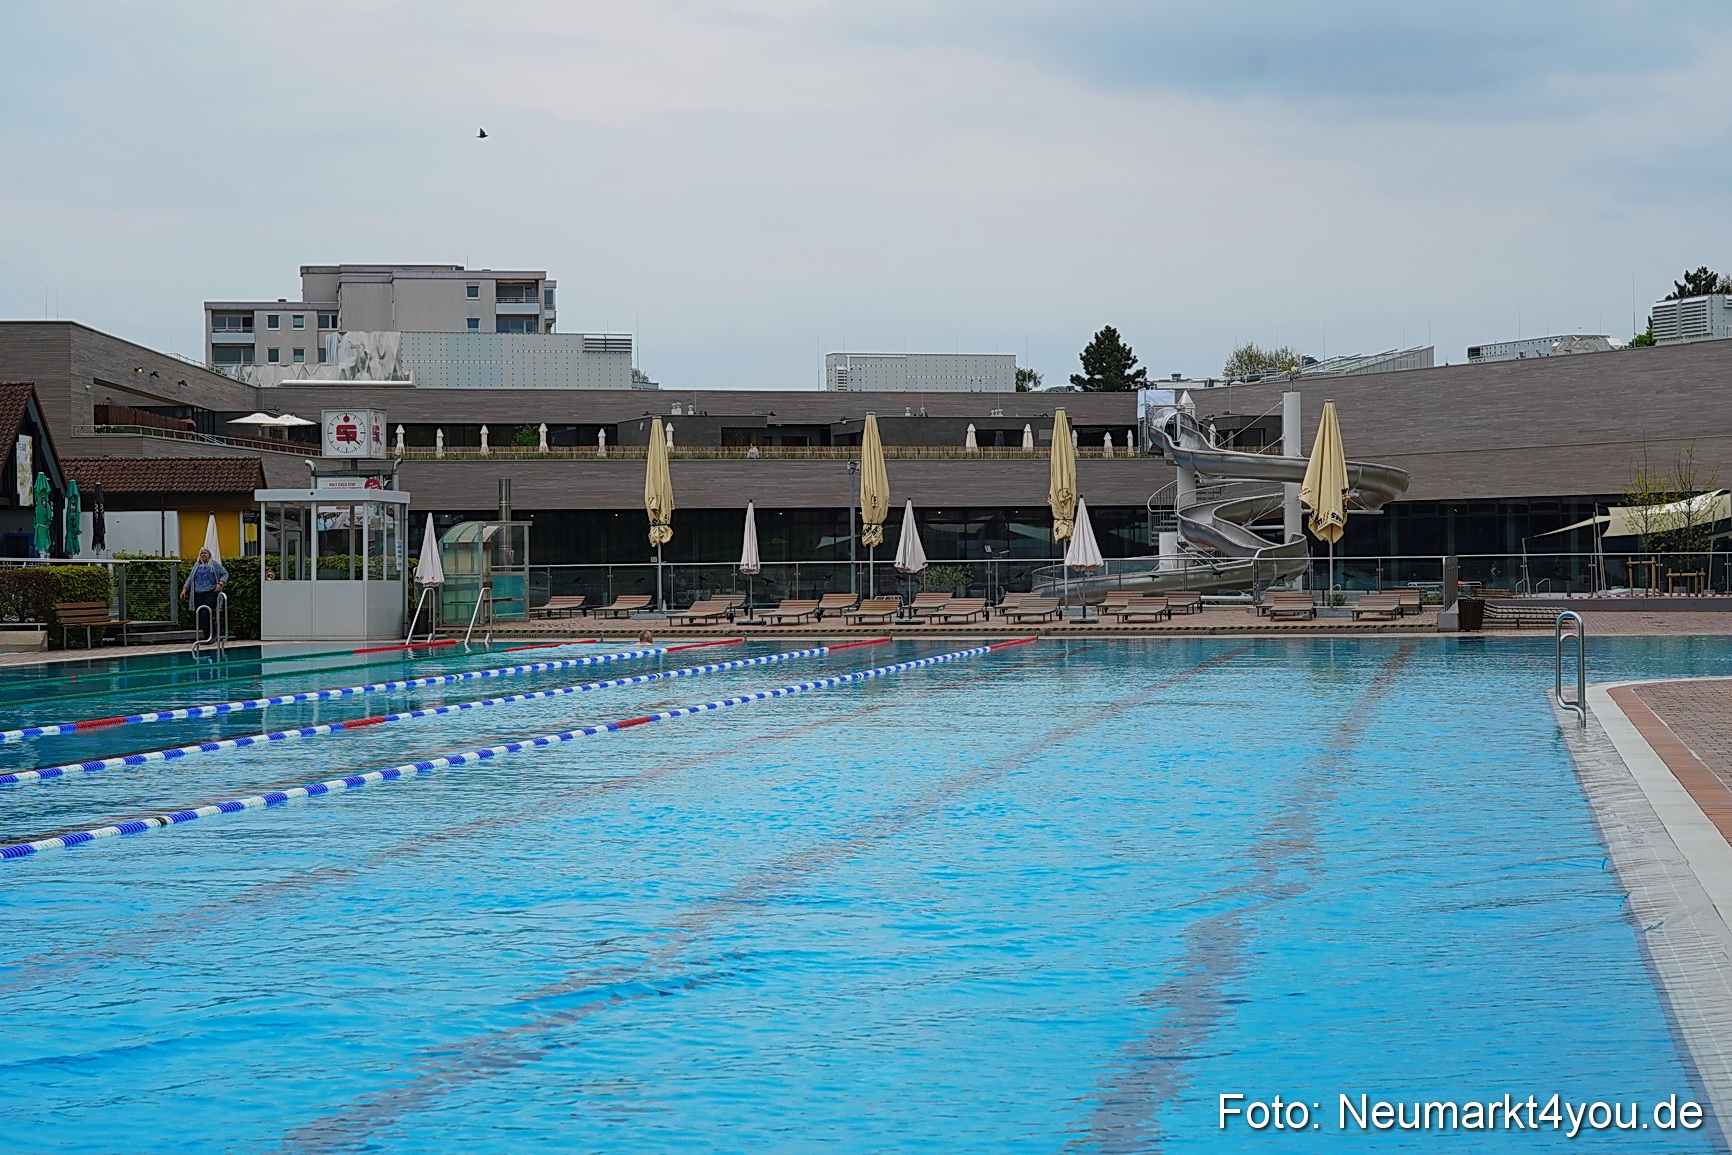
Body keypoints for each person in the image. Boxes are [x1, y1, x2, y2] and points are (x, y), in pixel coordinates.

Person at [181, 547, 228, 642]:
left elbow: (225, 574)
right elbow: (190, 578)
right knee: (202, 615)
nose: (203, 555)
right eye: (201, 553)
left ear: (209, 555)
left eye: (205, 553)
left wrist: (220, 583)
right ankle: (209, 634)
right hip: (198, 593)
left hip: (210, 593)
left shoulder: (214, 565)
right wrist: (184, 589)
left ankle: (209, 636)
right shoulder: (196, 566)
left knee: (205, 612)